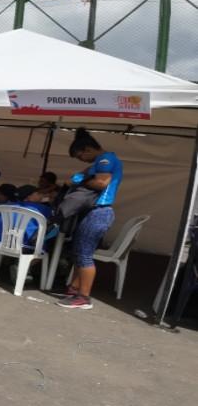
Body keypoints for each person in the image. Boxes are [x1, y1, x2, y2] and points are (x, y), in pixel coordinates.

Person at [57, 128, 122, 310]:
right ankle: (74, 289)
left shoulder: (105, 160)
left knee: (84, 254)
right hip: (94, 212)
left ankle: (84, 297)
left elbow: (101, 183)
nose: (82, 160)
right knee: (79, 251)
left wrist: (79, 181)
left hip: (99, 212)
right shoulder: (100, 162)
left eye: (80, 156)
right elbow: (82, 176)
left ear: (87, 149)